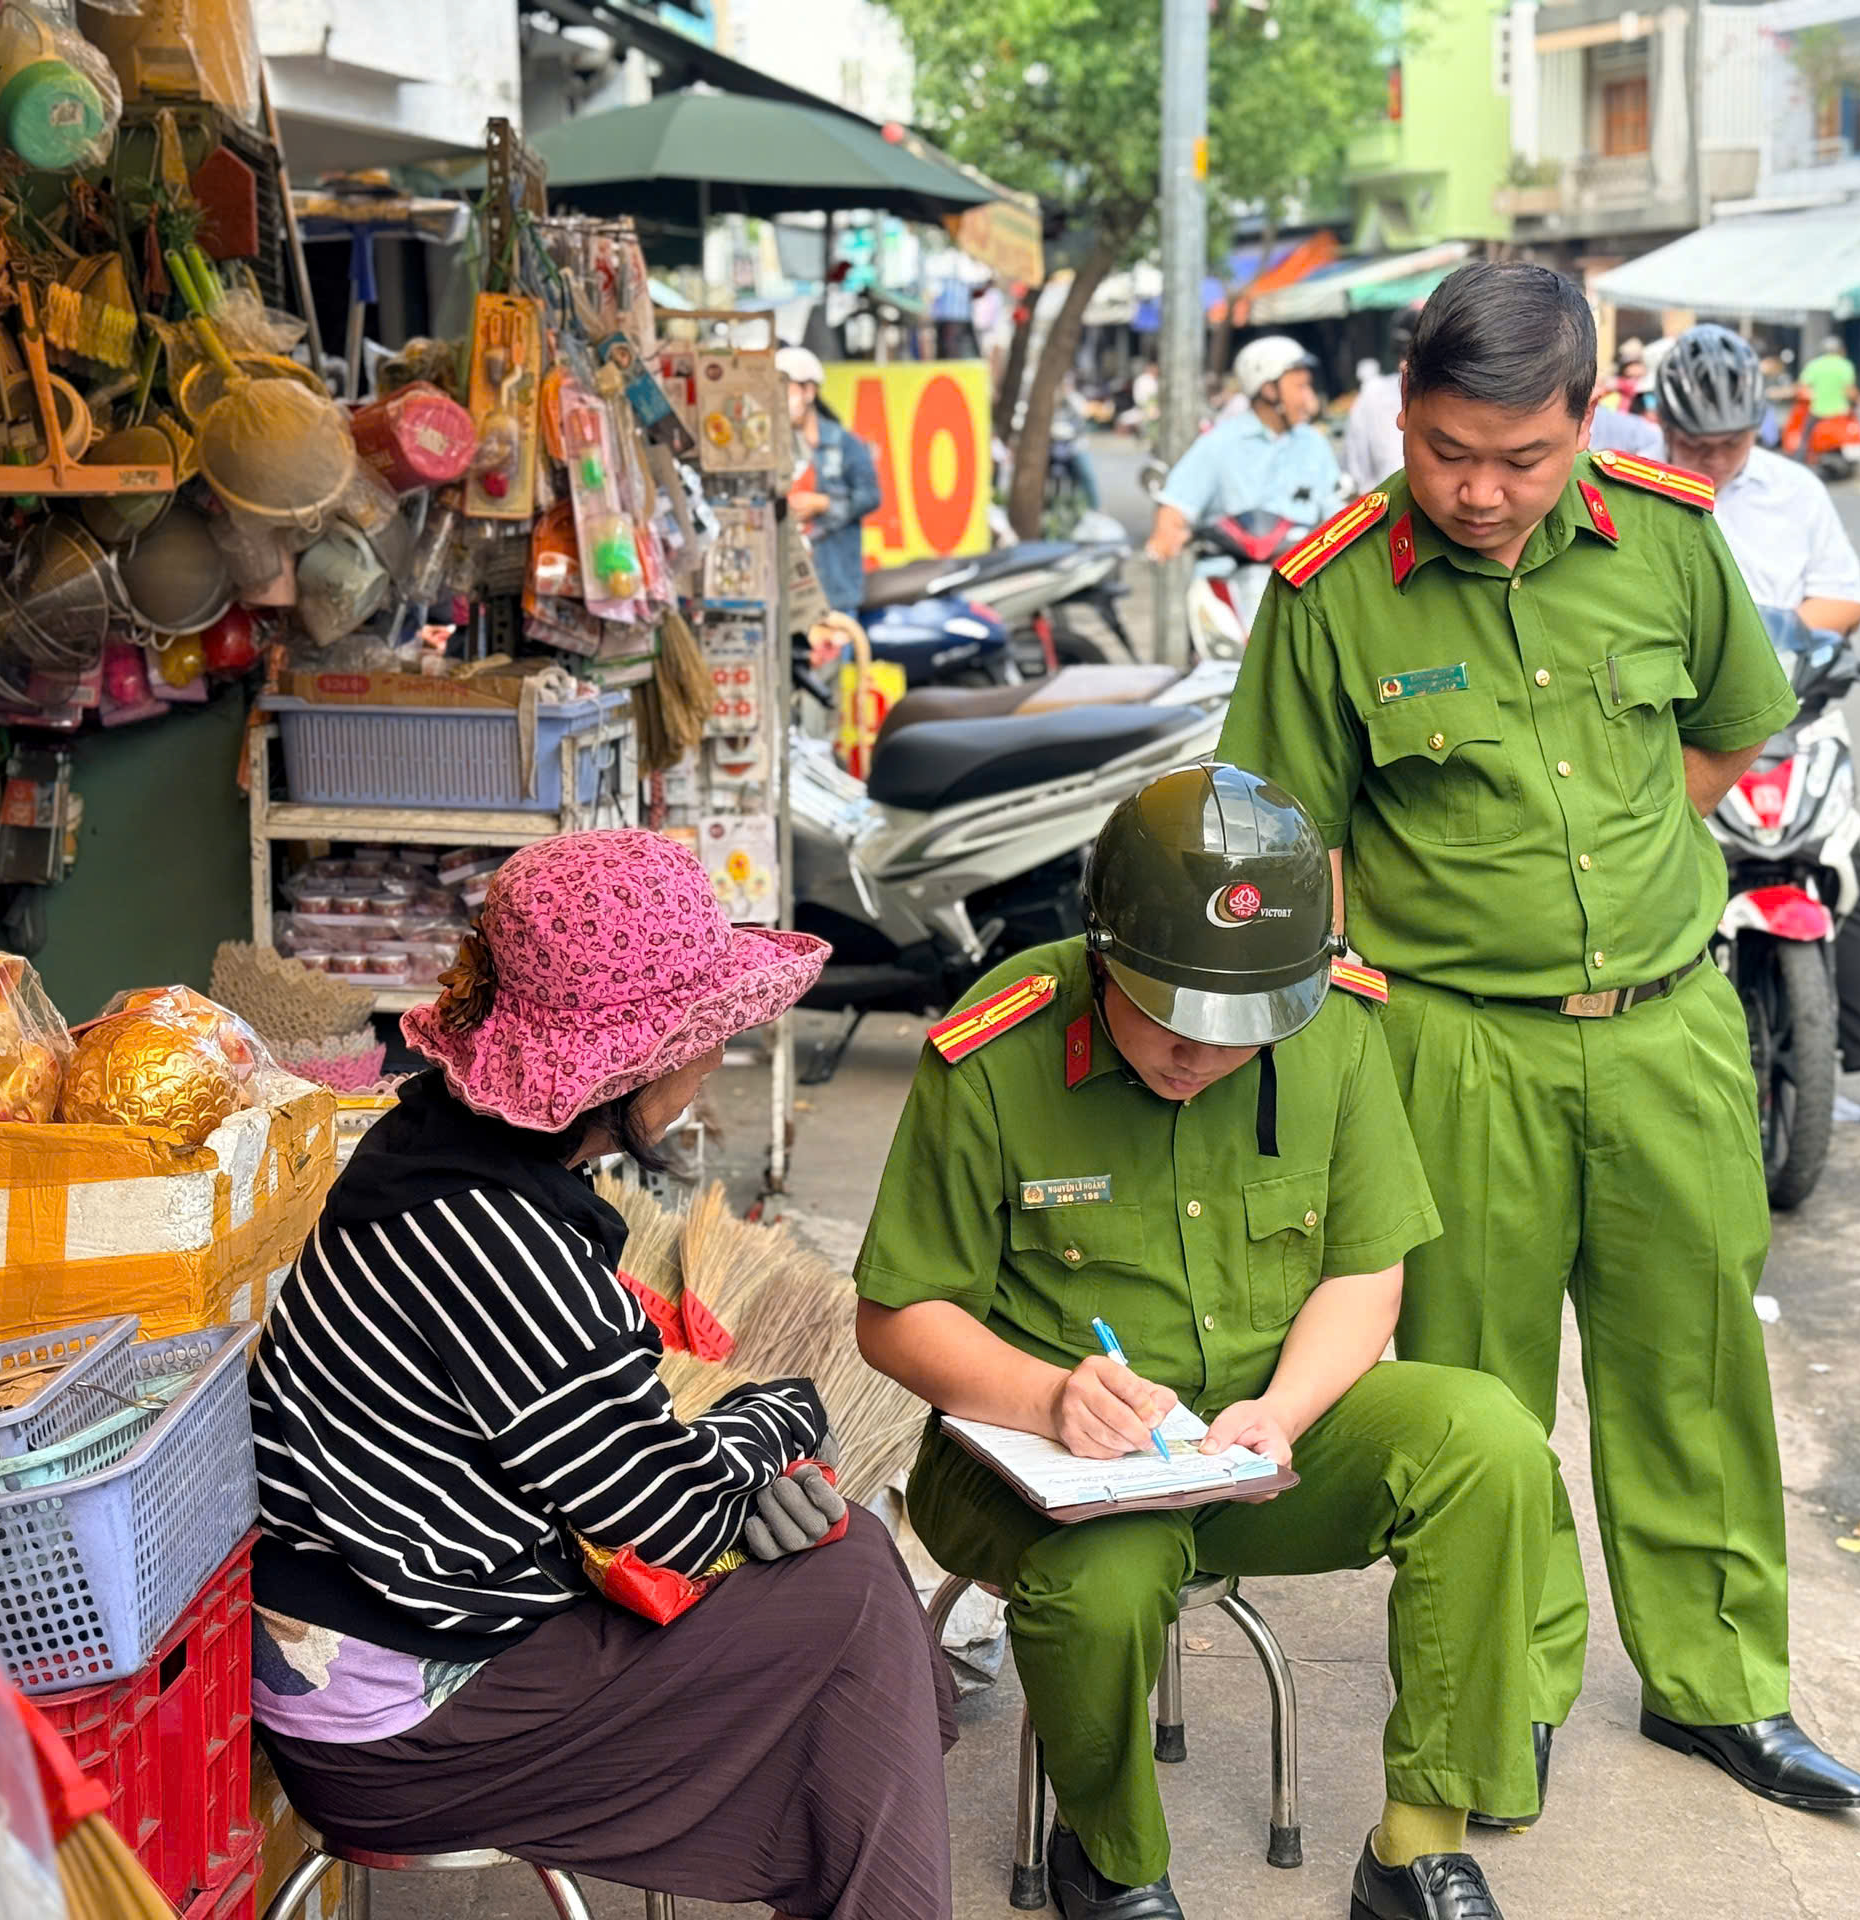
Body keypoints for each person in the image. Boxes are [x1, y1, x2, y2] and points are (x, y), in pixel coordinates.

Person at [1217, 260, 1860, 1823]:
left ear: (1590, 415)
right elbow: (1281, 845)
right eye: (1449, 452)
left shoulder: (1667, 536)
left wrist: (1628, 914)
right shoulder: (1333, 592)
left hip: (1666, 1031)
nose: (1482, 492)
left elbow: (1728, 732)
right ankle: (1492, 1698)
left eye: (1523, 457)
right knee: (1479, 1395)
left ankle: (1719, 1687)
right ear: (1401, 415)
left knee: (1693, 1366)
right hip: (1450, 1049)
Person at [855, 763, 1550, 1920]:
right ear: (1101, 956)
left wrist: (1281, 1416)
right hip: (1038, 1466)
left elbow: (1366, 1270)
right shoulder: (996, 1047)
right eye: (1171, 1019)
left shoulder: (1335, 1027)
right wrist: (1046, 1398)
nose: (1201, 1056)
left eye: (1240, 1035)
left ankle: (1416, 1846)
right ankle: (1112, 1859)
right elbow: (894, 1315)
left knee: (1488, 1440)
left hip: (1251, 1439)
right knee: (1101, 1586)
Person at [250, 831, 958, 1916]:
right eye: (704, 1037)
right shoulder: (494, 1239)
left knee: (839, 1587)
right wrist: (782, 1417)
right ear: (628, 1065)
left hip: (379, 1657)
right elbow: (666, 1522)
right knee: (853, 1580)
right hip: (393, 1732)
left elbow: (608, 1462)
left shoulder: (428, 1154)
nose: (711, 1061)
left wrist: (747, 1457)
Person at [1653, 323, 1860, 1145]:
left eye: (1729, 443)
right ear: (1664, 426)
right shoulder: (1634, 492)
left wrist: (1769, 639)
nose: (1714, 460)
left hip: (1791, 707)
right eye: (1696, 443)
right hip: (1676, 720)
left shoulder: (1795, 491)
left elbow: (1841, 600)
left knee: (1838, 861)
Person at [1144, 335, 1345, 560]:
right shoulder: (1220, 443)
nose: (1309, 399)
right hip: (1226, 577)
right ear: (1270, 390)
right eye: (1300, 387)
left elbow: (1336, 511)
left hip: (1297, 578)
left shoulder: (1314, 444)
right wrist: (1166, 537)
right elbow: (1176, 506)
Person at [779, 343, 882, 613]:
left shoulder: (844, 444)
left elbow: (871, 496)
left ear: (809, 391)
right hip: (788, 591)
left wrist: (822, 503)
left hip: (833, 587)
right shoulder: (771, 448)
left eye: (785, 388)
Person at [1344, 309, 1424, 490]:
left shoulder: (1455, 398)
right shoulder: (1373, 396)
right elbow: (1357, 472)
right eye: (1403, 353)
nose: (1406, 364)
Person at [1795, 334, 1859, 463]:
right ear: (1840, 350)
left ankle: (1800, 458)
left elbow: (1802, 387)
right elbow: (1851, 392)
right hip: (1841, 412)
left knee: (1805, 437)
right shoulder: (1845, 365)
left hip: (1818, 411)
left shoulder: (1815, 365)